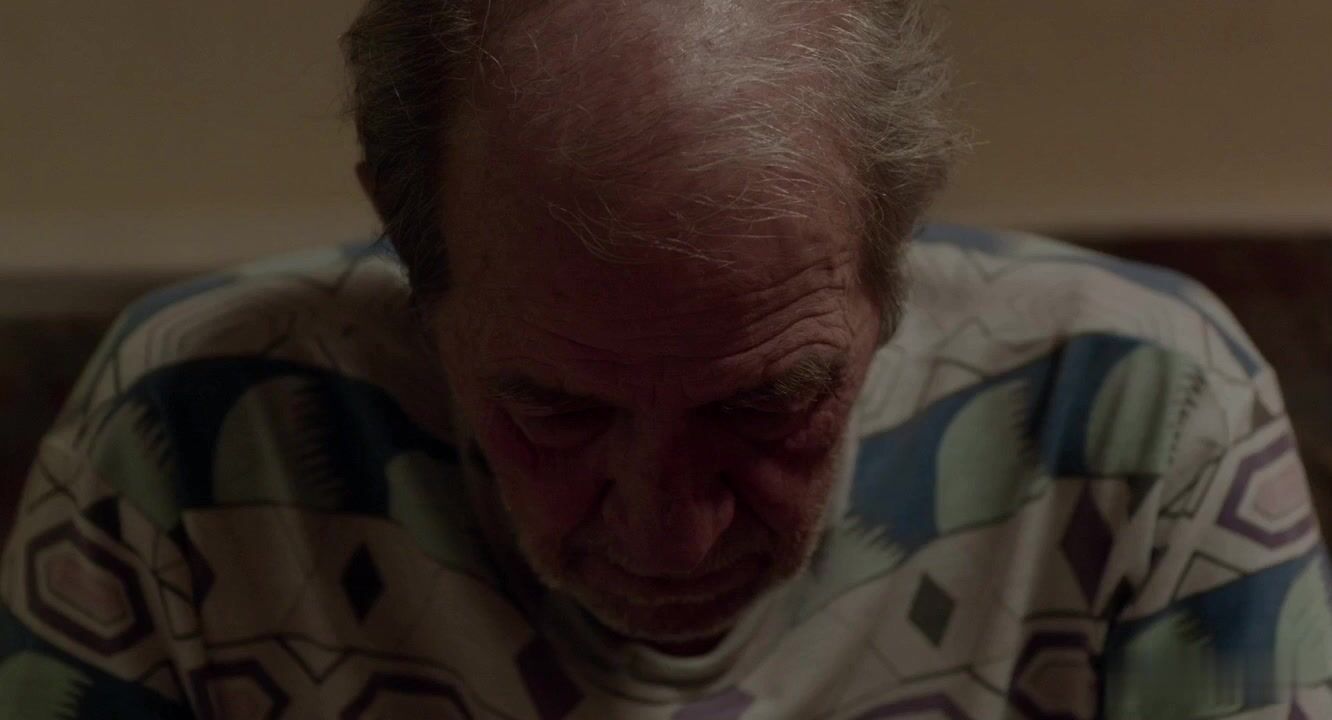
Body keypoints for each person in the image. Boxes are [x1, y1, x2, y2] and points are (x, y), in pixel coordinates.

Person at [2, 0, 1329, 717]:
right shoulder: (182, 431)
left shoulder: (1145, 406)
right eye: (554, 410)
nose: (670, 532)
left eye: (772, 401)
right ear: (413, 257)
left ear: (893, 259)